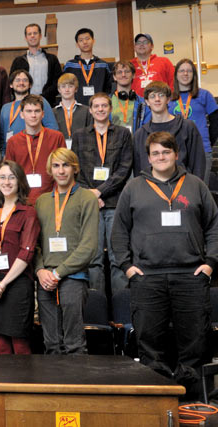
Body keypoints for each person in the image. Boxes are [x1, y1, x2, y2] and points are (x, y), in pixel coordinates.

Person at [112, 131, 218, 398]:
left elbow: (214, 226)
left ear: (176, 154)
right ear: (148, 158)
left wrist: (209, 264)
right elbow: (119, 230)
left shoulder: (195, 185)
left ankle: (192, 407)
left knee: (194, 345)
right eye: (156, 153)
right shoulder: (134, 187)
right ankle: (157, 406)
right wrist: (126, 265)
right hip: (148, 278)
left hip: (190, 276)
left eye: (166, 152)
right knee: (149, 345)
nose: (161, 157)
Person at [35, 148, 99, 355]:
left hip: (73, 277)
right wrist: (40, 271)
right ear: (50, 170)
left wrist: (58, 273)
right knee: (51, 343)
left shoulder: (86, 198)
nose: (61, 171)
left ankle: (77, 387)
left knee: (74, 344)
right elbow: (34, 245)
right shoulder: (41, 201)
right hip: (45, 279)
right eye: (56, 166)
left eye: (65, 165)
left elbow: (88, 246)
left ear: (74, 168)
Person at [71, 93, 133, 296]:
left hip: (115, 203)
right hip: (90, 205)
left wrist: (100, 191)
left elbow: (124, 170)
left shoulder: (123, 134)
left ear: (110, 108)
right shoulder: (79, 135)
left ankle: (121, 307)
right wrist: (91, 196)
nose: (100, 109)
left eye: (104, 106)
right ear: (90, 110)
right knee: (94, 258)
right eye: (96, 106)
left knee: (117, 258)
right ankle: (97, 307)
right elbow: (74, 169)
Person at [0, 160, 40, 355]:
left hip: (17, 284)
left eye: (12, 177)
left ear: (20, 181)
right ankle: (4, 387)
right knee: (1, 346)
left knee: (20, 345)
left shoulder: (28, 213)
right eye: (2, 177)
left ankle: (22, 386)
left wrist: (3, 284)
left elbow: (26, 252)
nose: (6, 182)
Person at [133, 81, 205, 178]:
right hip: (151, 189)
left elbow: (198, 163)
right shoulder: (140, 134)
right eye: (152, 96)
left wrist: (194, 188)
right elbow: (138, 171)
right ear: (147, 101)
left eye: (161, 95)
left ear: (168, 99)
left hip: (183, 188)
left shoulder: (187, 127)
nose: (157, 99)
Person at [4, 94, 66, 205]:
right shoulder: (13, 142)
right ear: (22, 115)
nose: (33, 115)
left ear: (43, 114)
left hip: (52, 199)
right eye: (29, 111)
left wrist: (58, 196)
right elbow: (10, 174)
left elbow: (64, 170)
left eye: (37, 111)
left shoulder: (56, 137)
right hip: (23, 201)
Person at [169, 58, 218, 181]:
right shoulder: (168, 97)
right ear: (176, 75)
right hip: (175, 152)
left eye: (189, 71)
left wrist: (206, 142)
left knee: (200, 191)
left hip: (201, 150)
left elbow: (216, 122)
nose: (185, 74)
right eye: (182, 71)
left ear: (194, 75)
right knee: (179, 192)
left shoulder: (204, 95)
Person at [0, 70, 58, 148]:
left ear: (30, 85)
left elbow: (52, 127)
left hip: (35, 149)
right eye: (17, 80)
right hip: (12, 151)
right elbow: (2, 137)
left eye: (25, 80)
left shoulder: (40, 101)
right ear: (11, 85)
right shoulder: (5, 108)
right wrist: (4, 154)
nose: (21, 83)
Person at [10, 23, 62, 107]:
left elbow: (58, 82)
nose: (32, 36)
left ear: (40, 36)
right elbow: (13, 82)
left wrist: (43, 97)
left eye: (35, 33)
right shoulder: (18, 61)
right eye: (29, 34)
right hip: (24, 104)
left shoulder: (52, 59)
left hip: (47, 103)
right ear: (26, 38)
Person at [62, 28, 112, 104]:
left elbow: (109, 88)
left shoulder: (103, 65)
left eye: (87, 39)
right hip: (77, 107)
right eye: (81, 40)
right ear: (77, 44)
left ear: (93, 41)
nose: (85, 42)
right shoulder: (70, 65)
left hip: (99, 107)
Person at [52, 73, 92, 148]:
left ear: (76, 89)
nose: (67, 90)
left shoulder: (86, 111)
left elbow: (90, 134)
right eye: (63, 87)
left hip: (82, 148)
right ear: (59, 90)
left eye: (70, 86)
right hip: (60, 150)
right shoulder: (53, 112)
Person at [110, 60, 147, 134]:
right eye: (119, 72)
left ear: (133, 75)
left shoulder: (143, 103)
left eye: (127, 71)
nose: (123, 75)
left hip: (135, 143)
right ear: (114, 77)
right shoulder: (106, 102)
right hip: (113, 143)